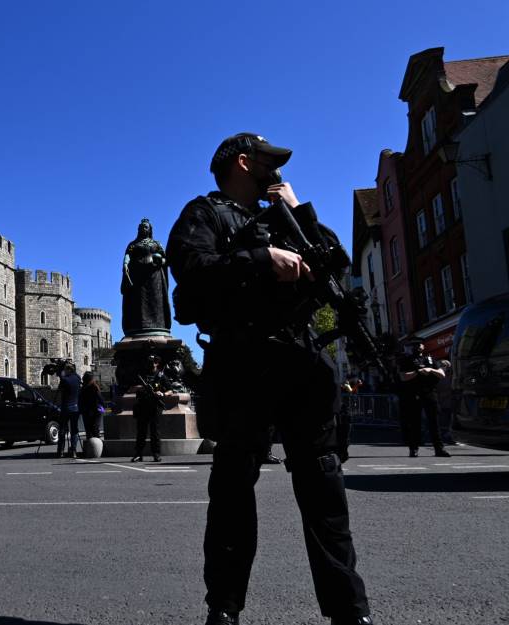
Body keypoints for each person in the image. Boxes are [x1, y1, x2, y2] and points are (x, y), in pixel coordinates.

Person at [166, 133, 372, 625]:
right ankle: (225, 609)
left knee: (323, 484)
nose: (275, 173)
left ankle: (350, 611)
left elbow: (334, 265)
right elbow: (191, 272)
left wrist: (300, 213)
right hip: (243, 364)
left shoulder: (288, 218)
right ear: (243, 163)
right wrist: (262, 259)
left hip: (300, 362)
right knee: (234, 489)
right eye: (268, 164)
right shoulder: (206, 214)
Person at [396, 342, 450, 458]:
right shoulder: (407, 360)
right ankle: (414, 449)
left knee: (434, 422)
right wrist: (417, 372)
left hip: (430, 393)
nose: (418, 346)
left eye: (419, 344)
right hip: (414, 394)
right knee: (415, 422)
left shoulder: (430, 359)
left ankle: (439, 449)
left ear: (423, 347)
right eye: (415, 344)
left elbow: (442, 374)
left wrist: (430, 370)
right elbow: (403, 376)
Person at [132, 356, 172, 463]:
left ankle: (156, 454)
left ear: (157, 363)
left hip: (155, 406)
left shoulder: (161, 375)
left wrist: (162, 393)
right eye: (149, 362)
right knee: (141, 432)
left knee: (155, 432)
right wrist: (141, 387)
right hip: (142, 406)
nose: (151, 364)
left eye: (153, 362)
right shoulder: (141, 375)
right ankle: (138, 454)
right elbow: (132, 388)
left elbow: (170, 390)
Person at [55, 363, 82, 458]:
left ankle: (61, 451)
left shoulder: (64, 380)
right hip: (75, 408)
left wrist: (61, 376)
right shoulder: (78, 378)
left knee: (62, 430)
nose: (64, 372)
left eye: (66, 370)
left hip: (66, 408)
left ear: (69, 370)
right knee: (74, 430)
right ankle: (74, 451)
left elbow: (60, 391)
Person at [79, 371, 106, 439]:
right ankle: (97, 445)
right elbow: (101, 400)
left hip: (88, 411)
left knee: (89, 430)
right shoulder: (94, 387)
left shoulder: (83, 389)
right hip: (95, 410)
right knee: (95, 429)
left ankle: (91, 446)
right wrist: (103, 407)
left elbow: (81, 401)